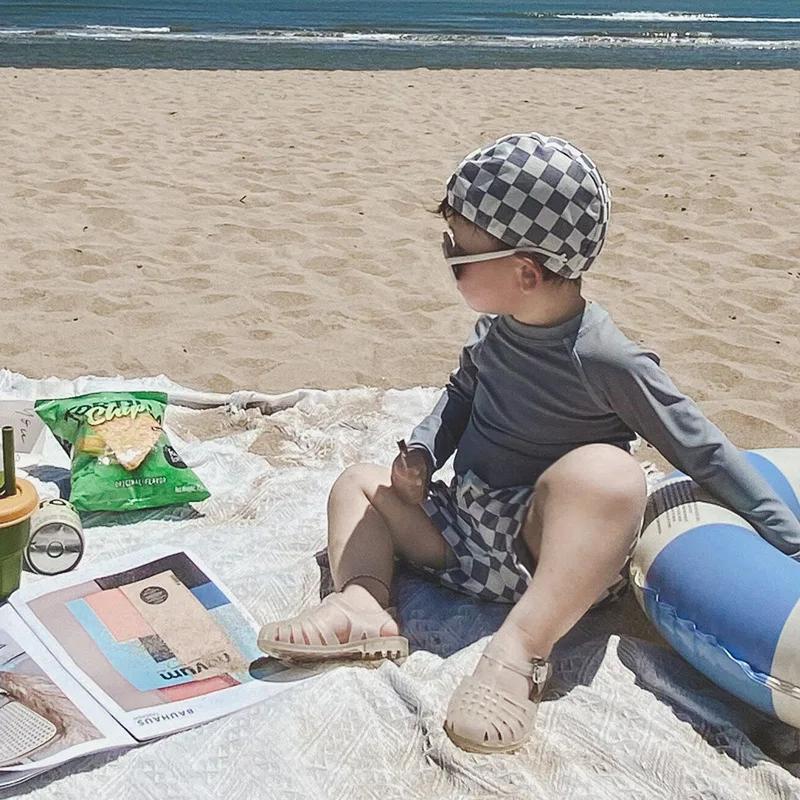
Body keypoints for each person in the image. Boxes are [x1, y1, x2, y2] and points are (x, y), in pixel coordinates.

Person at [258, 132, 800, 754]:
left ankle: (519, 651)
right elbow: (459, 395)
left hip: (545, 549)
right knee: (357, 482)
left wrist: (786, 539)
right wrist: (424, 456)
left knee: (612, 475)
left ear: (524, 270)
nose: (448, 260)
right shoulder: (495, 329)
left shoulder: (605, 357)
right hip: (464, 532)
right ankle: (363, 602)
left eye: (457, 254)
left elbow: (700, 449)